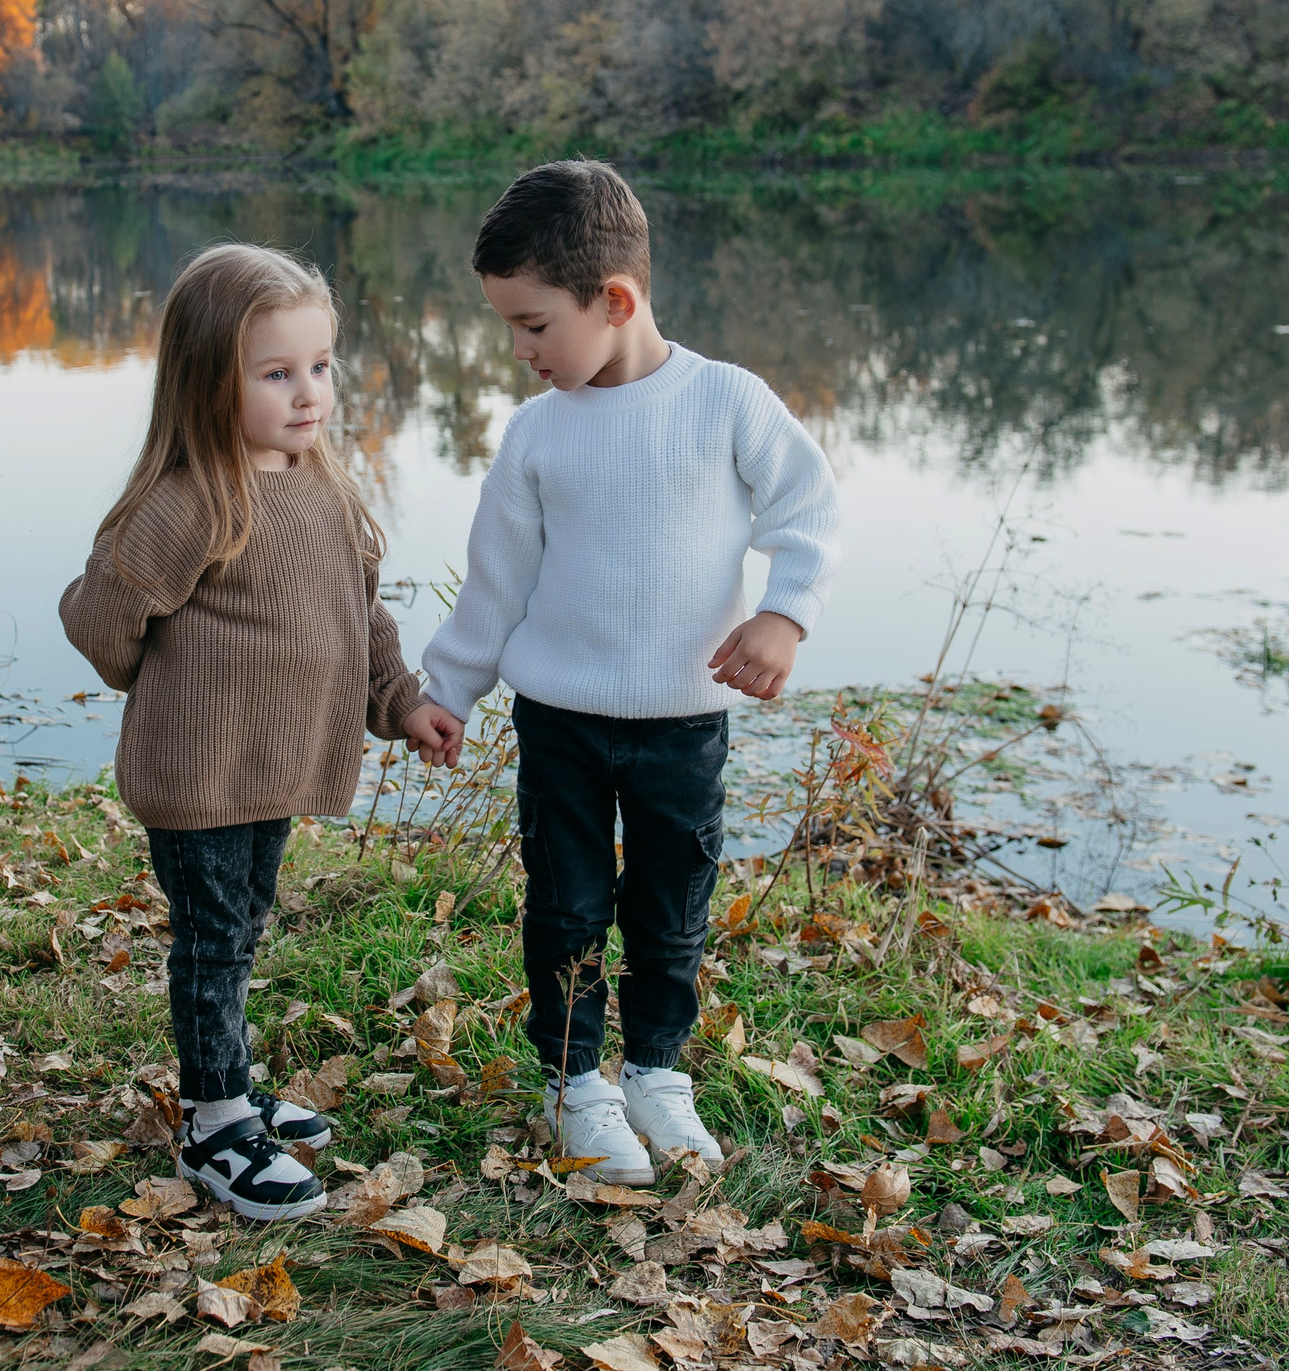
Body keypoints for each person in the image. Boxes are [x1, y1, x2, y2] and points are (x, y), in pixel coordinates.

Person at [419, 160, 841, 1184]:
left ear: (614, 301)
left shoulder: (726, 403)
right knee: (565, 908)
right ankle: (575, 1086)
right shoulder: (535, 438)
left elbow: (809, 509)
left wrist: (782, 615)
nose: (520, 353)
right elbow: (496, 583)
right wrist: (447, 688)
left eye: (533, 325)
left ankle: (655, 1072)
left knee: (668, 905)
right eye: (509, 329)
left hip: (681, 726)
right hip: (558, 720)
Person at [60, 243, 464, 1221]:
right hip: (199, 771)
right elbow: (101, 614)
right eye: (276, 373)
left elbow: (355, 613)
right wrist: (146, 681)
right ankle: (212, 1125)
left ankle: (228, 1082)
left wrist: (402, 701)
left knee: (240, 929)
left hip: (270, 767)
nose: (308, 392)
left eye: (319, 366)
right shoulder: (190, 501)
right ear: (209, 381)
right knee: (210, 941)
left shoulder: (318, 483)